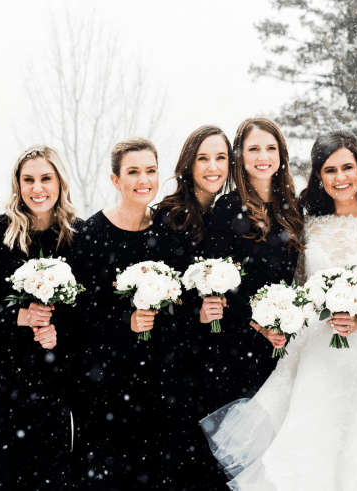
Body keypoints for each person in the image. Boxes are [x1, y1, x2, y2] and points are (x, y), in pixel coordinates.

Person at [202, 129, 357, 491]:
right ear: (319, 179)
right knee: (307, 450)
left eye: (347, 168)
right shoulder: (308, 226)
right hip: (315, 352)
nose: (341, 178)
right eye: (330, 171)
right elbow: (299, 289)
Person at [0, 145, 80, 489]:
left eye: (46, 178)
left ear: (60, 182)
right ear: (17, 184)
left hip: (54, 384)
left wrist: (59, 331)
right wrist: (18, 317)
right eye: (28, 179)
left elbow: (90, 309)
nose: (37, 188)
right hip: (2, 381)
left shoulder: (78, 237)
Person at [69, 137, 162, 490]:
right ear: (115, 180)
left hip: (156, 380)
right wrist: (126, 322)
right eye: (133, 172)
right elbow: (80, 312)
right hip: (105, 381)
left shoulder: (167, 231)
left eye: (150, 171)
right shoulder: (92, 233)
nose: (143, 180)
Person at [149, 125, 234, 489]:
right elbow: (155, 293)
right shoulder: (168, 217)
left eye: (220, 158)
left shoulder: (229, 214)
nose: (212, 166)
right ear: (188, 164)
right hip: (179, 363)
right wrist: (192, 314)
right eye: (203, 158)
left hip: (222, 359)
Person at [202, 117, 304, 407]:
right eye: (254, 149)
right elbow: (218, 277)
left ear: (281, 156)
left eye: (271, 148)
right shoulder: (227, 207)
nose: (263, 157)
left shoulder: (293, 209)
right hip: (240, 338)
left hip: (285, 338)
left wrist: (286, 322)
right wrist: (260, 325)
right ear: (240, 156)